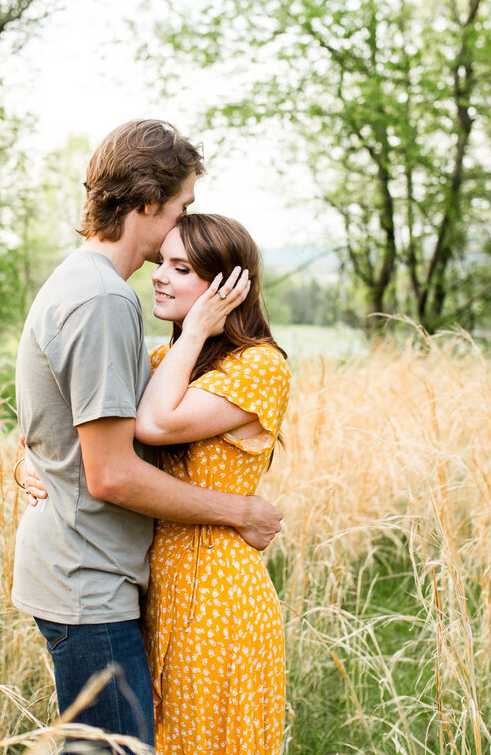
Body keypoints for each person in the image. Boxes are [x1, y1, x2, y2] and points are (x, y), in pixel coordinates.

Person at [12, 120, 284, 752]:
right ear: (145, 202)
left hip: (112, 576)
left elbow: (58, 419)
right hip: (89, 578)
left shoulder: (82, 286)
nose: (181, 225)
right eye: (182, 206)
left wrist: (38, 460)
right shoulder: (104, 300)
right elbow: (110, 471)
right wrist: (240, 510)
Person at [135, 213, 290, 755]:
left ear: (227, 286)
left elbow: (154, 425)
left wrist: (198, 327)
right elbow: (87, 427)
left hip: (220, 597)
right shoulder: (165, 360)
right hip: (159, 588)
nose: (160, 276)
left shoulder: (260, 365)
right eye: (162, 263)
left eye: (181, 268)